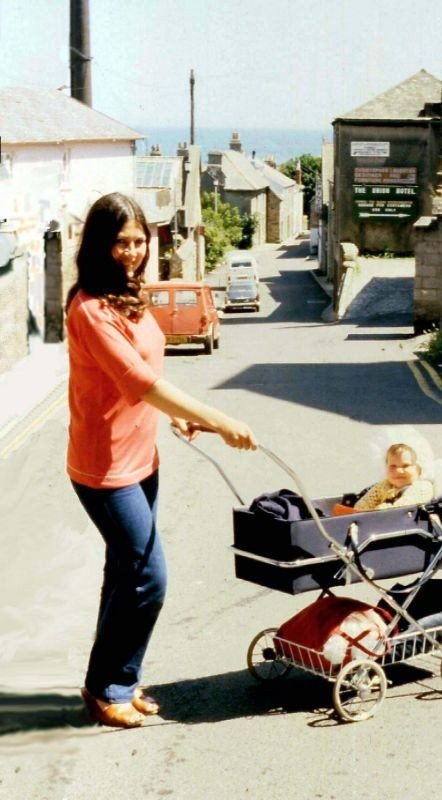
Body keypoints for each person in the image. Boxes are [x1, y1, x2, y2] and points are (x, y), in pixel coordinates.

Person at [65, 192, 257, 729]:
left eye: (138, 241)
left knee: (124, 576)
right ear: (99, 245)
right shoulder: (91, 309)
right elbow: (137, 380)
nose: (131, 252)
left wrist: (175, 415)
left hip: (141, 458)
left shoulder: (129, 294)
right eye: (120, 242)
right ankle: (111, 686)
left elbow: (145, 377)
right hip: (104, 469)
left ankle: (111, 681)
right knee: (149, 578)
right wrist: (218, 419)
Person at [353, 442, 434, 512]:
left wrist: (376, 511)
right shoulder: (384, 485)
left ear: (418, 468)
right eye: (393, 466)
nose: (398, 471)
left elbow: (401, 509)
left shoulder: (422, 487)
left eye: (405, 465)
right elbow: (360, 507)